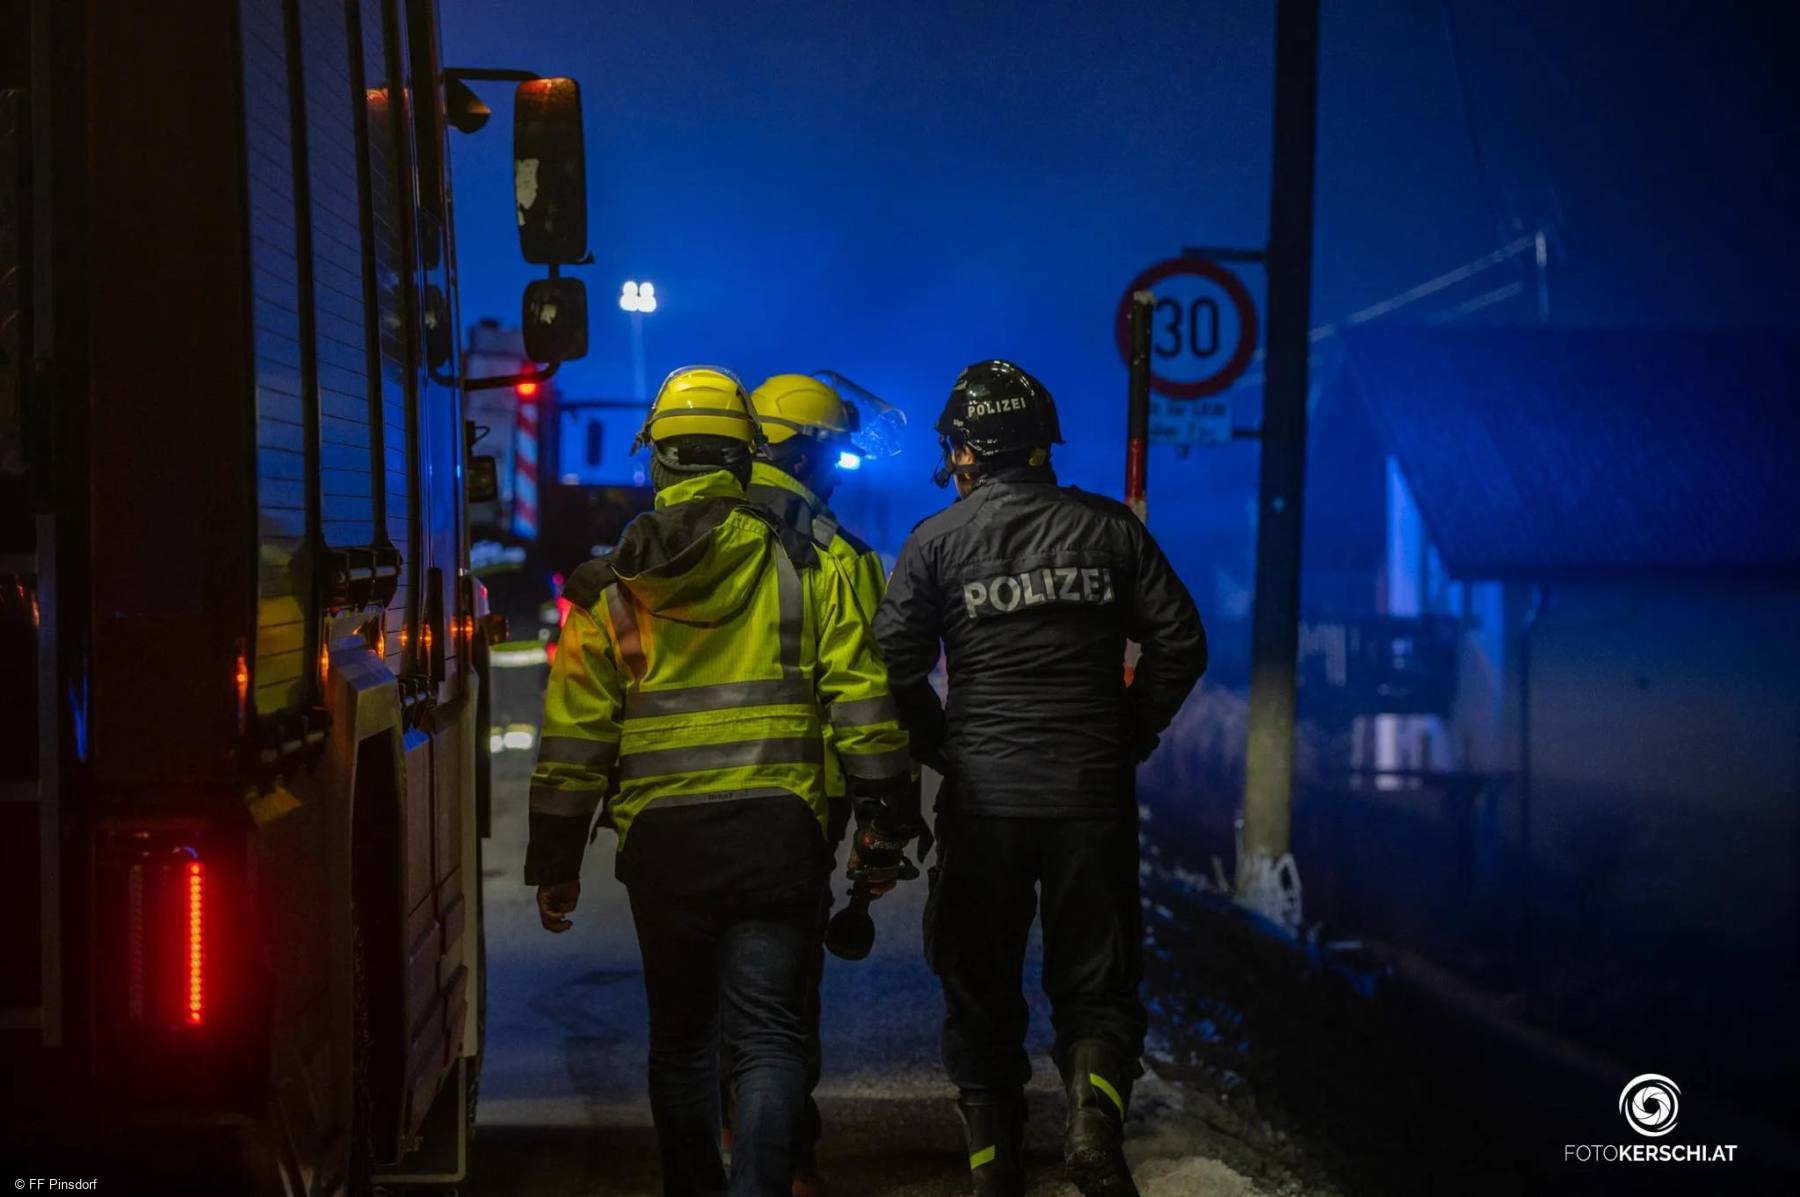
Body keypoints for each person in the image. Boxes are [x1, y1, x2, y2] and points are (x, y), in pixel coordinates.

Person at [527, 366, 915, 1197]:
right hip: (780, 835)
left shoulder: (607, 588)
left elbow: (575, 740)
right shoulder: (811, 562)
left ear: (656, 461)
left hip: (664, 848)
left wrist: (555, 860)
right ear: (745, 457)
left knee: (682, 1044)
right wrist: (886, 813)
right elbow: (862, 699)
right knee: (770, 1036)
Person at [873, 361, 1207, 1197]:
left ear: (963, 452)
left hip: (984, 797)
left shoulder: (936, 540)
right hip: (1090, 794)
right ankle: (1092, 1125)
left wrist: (941, 744)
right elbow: (1181, 641)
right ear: (1040, 446)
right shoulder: (1111, 530)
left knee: (979, 982)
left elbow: (893, 662)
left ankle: (995, 1171)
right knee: (1097, 980)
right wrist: (1128, 732)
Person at [740, 372, 895, 1194]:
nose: (837, 470)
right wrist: (886, 813)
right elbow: (868, 696)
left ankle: (718, 1147)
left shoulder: (667, 543)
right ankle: (784, 1164)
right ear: (805, 454)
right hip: (799, 805)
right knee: (783, 997)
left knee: (700, 1002)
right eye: (833, 453)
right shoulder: (840, 555)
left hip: (669, 806)